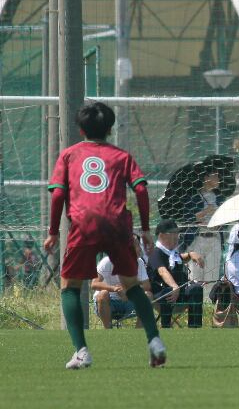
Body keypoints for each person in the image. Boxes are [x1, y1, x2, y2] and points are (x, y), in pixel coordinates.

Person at [43, 101, 165, 369]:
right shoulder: (121, 156)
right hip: (117, 224)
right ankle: (155, 341)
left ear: (80, 129)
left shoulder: (69, 155)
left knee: (69, 287)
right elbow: (141, 190)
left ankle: (81, 351)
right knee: (132, 285)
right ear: (110, 129)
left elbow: (58, 194)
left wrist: (52, 232)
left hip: (83, 223)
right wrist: (145, 229)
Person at [148, 219, 205, 328]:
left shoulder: (172, 253)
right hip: (161, 296)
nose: (177, 237)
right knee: (168, 291)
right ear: (162, 236)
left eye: (177, 233)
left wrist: (191, 254)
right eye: (173, 233)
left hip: (180, 294)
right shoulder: (155, 253)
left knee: (196, 288)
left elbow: (180, 258)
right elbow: (162, 271)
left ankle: (195, 328)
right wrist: (174, 286)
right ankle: (166, 328)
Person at [92, 235, 153, 329]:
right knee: (103, 294)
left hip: (129, 301)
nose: (140, 249)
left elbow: (146, 285)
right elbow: (94, 284)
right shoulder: (107, 261)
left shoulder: (139, 262)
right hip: (109, 303)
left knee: (148, 295)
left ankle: (138, 333)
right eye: (137, 245)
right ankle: (107, 331)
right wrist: (114, 289)